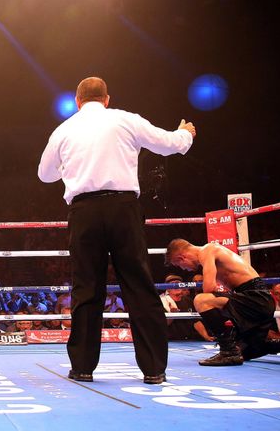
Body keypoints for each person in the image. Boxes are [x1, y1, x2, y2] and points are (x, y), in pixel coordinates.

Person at [38, 77, 196, 384]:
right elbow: (168, 144)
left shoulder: (64, 130)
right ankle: (154, 369)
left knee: (86, 288)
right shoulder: (125, 120)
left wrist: (71, 167)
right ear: (107, 99)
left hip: (83, 212)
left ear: (77, 101)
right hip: (124, 209)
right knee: (138, 285)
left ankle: (82, 367)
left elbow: (44, 174)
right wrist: (185, 134)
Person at [166, 239, 280, 366]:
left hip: (256, 298)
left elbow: (209, 288)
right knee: (249, 350)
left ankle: (228, 352)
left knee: (201, 300)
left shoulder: (207, 250)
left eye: (179, 265)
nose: (184, 269)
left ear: (181, 258)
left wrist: (220, 313)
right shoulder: (209, 253)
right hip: (254, 300)